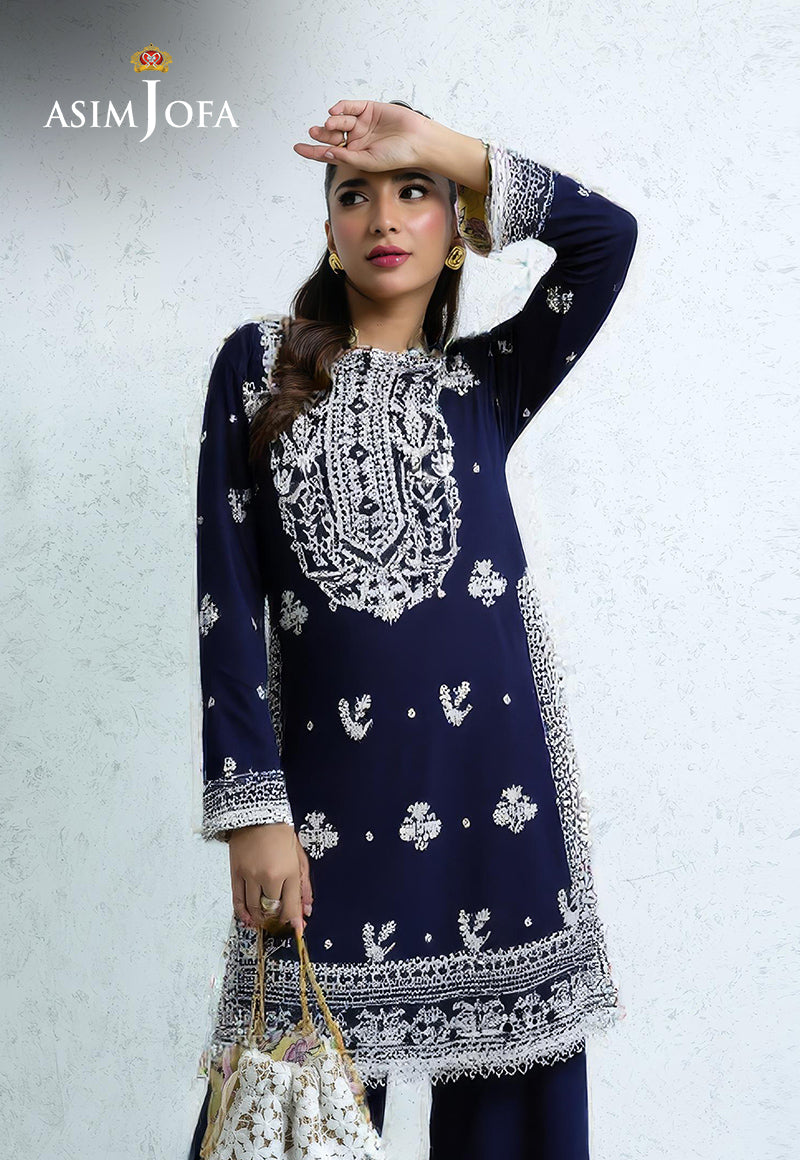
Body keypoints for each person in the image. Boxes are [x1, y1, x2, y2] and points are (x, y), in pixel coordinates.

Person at [188, 97, 638, 1159]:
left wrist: (441, 145)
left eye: (414, 194)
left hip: (494, 803)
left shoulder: (484, 384)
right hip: (323, 822)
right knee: (283, 1117)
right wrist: (252, 812)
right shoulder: (256, 370)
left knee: (513, 1121)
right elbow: (224, 600)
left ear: (458, 227)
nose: (384, 218)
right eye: (355, 196)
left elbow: (605, 237)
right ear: (328, 229)